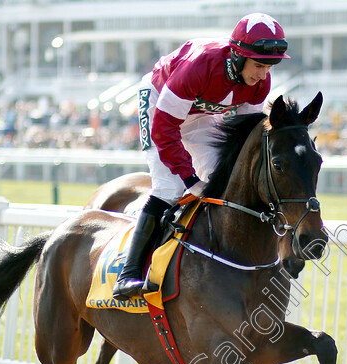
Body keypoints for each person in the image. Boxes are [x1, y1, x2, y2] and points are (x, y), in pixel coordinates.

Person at [113, 13, 289, 299]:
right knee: (170, 187)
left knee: (223, 176)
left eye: (269, 67)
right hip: (160, 103)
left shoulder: (260, 84)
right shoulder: (199, 67)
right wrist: (189, 178)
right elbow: (165, 129)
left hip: (200, 114)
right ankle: (128, 273)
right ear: (237, 56)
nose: (263, 75)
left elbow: (245, 140)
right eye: (258, 65)